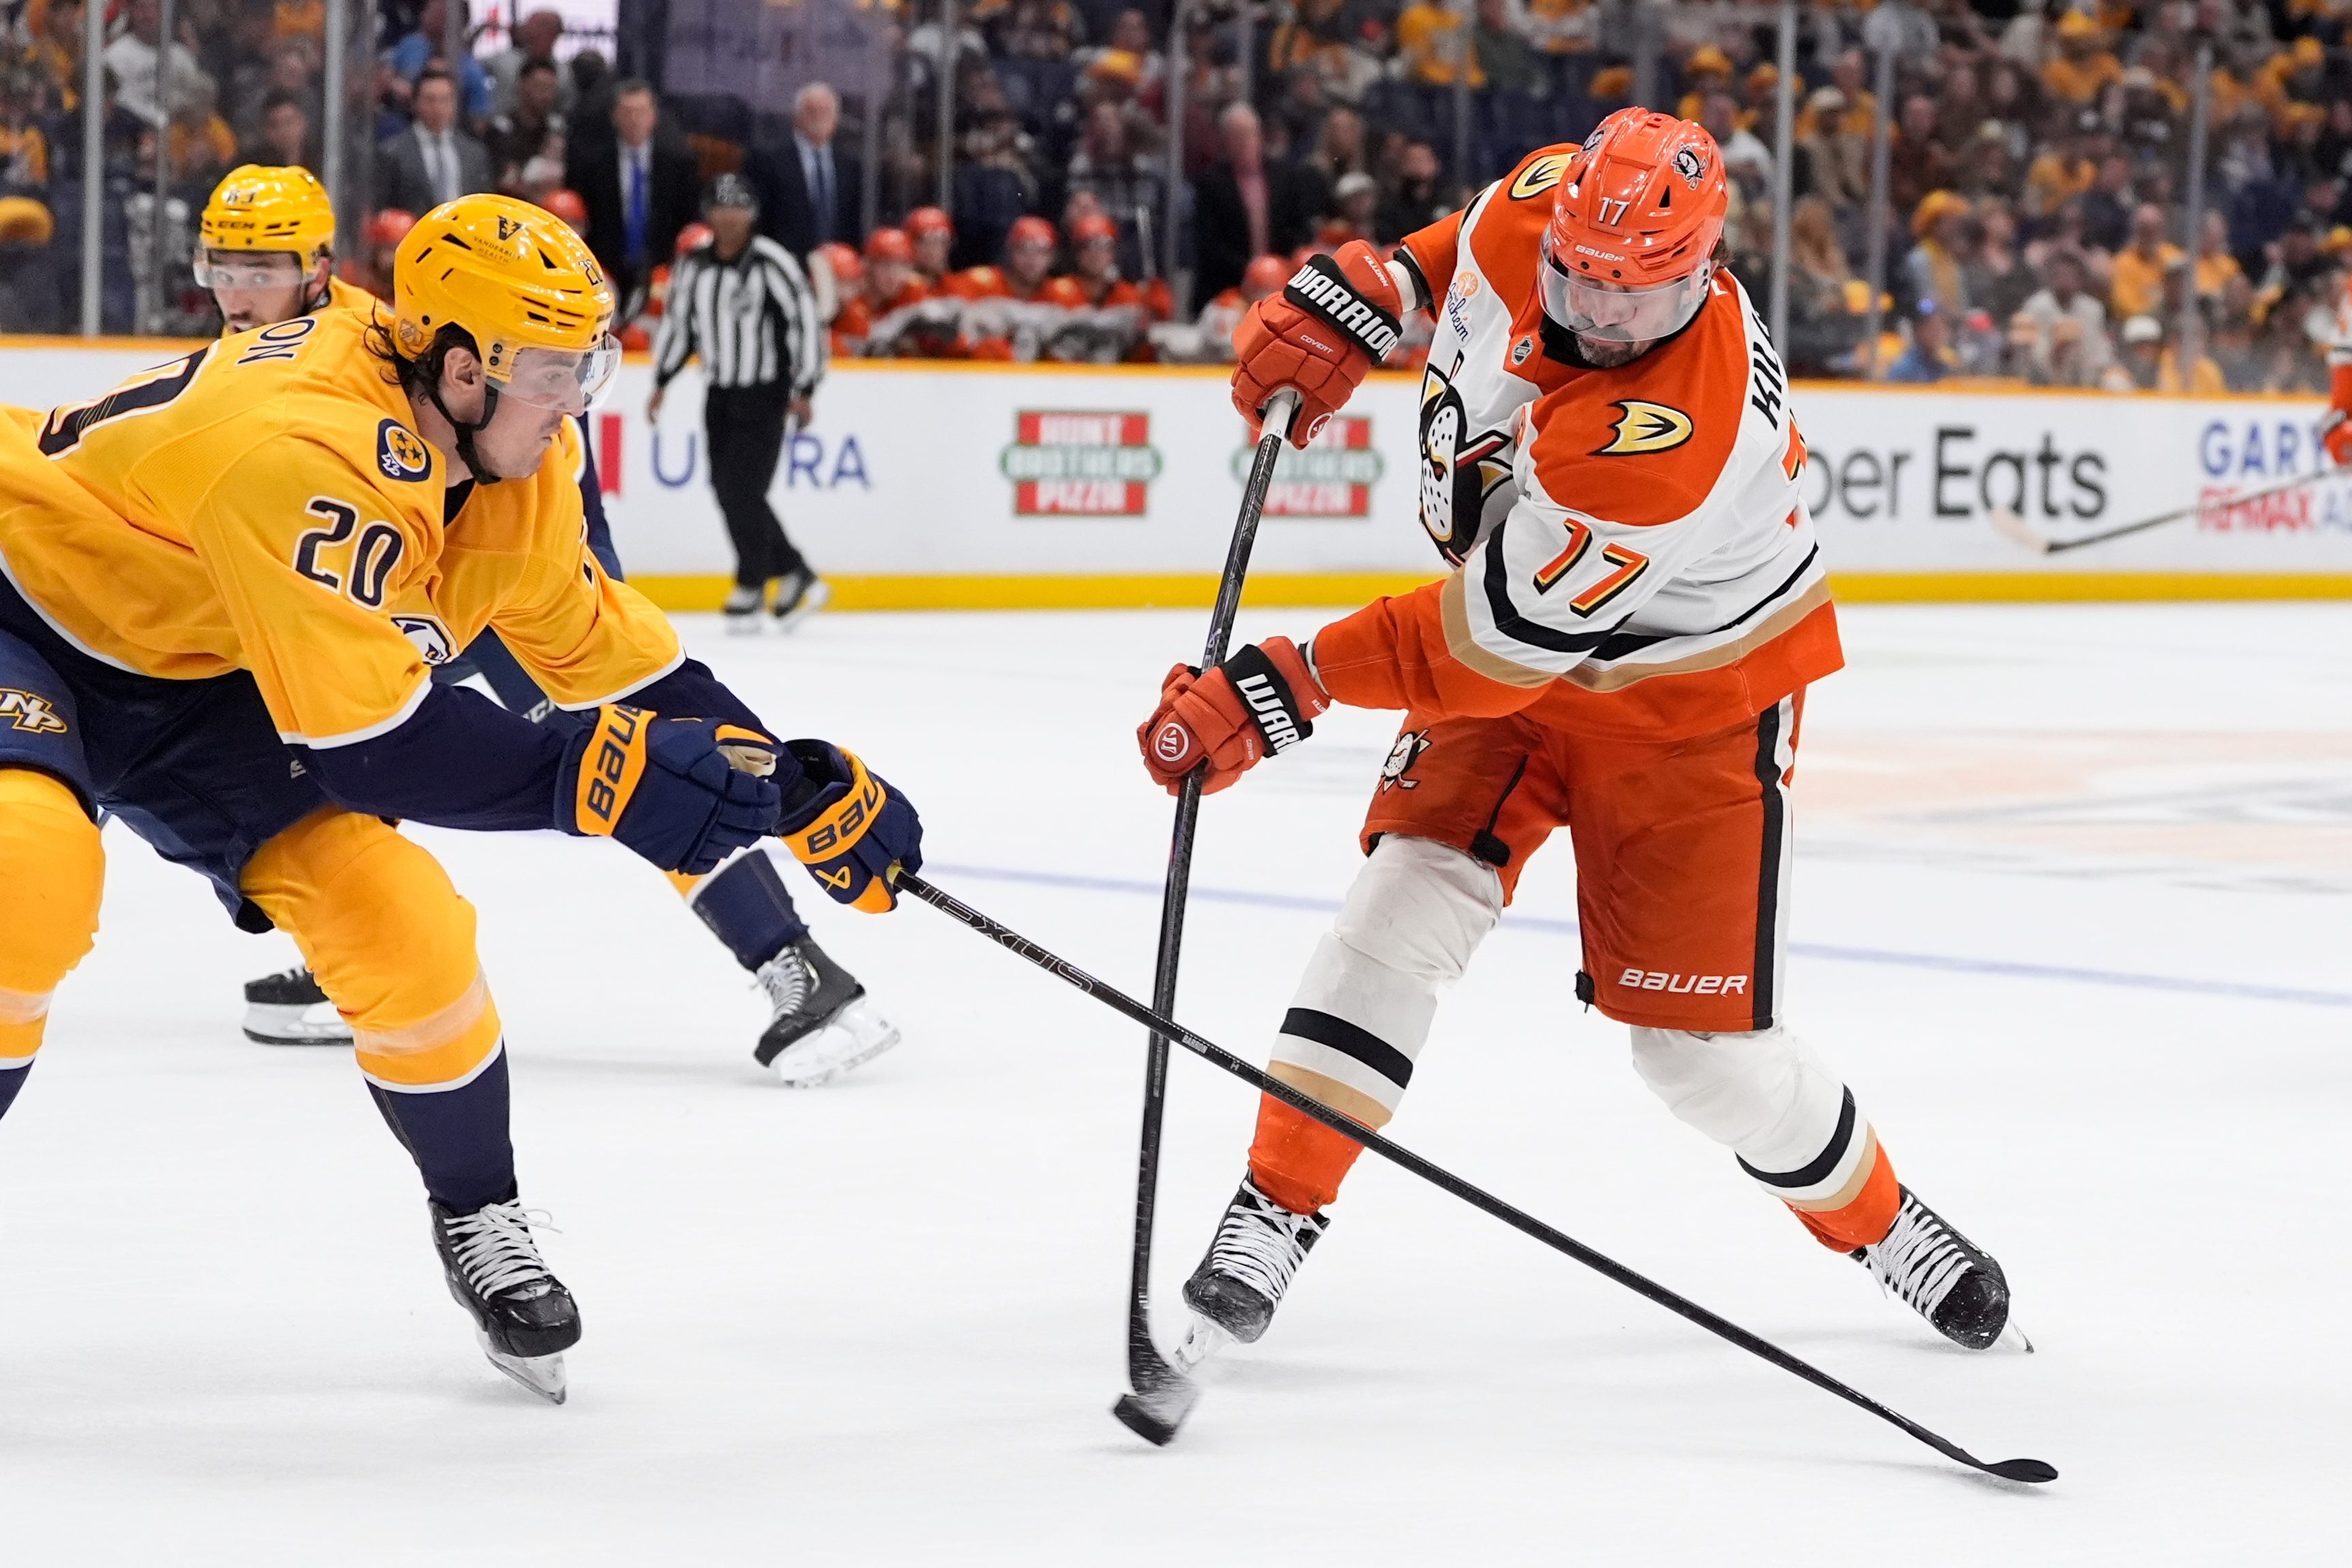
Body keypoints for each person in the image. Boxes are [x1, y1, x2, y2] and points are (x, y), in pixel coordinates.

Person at [0, 193, 922, 1403]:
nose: (575, 398)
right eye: (551, 369)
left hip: (202, 666)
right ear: (458, 368)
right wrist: (595, 782)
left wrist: (793, 784)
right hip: (27, 599)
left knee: (408, 927)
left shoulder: (511, 452)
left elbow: (618, 660)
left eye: (586, 365)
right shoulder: (303, 443)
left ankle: (480, 1219)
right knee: (32, 878)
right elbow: (373, 747)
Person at [1135, 110, 2016, 1364]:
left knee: (1698, 1061)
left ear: (1702, 271)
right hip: (1524, 641)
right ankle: (1275, 1204)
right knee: (1401, 901)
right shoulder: (1553, 199)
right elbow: (1457, 254)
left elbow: (1482, 646)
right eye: (1576, 282)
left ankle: (1883, 1223)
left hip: (1689, 706)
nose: (1597, 320)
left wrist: (1286, 682)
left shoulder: (1675, 433)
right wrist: (1380, 286)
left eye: (1633, 302)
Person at [198, 169, 899, 1087]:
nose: (242, 290)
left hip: (507, 527)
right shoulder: (297, 367)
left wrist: (793, 784)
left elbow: (612, 654)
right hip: (428, 554)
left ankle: (794, 965)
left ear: (322, 265)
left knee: (638, 755)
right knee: (373, 716)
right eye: (225, 265)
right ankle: (362, 949)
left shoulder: (440, 364)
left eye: (266, 266)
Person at [648, 174, 829, 630]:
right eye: (720, 206)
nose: (729, 216)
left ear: (751, 214)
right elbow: (678, 323)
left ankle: (761, 578)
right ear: (708, 213)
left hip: (765, 391)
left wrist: (805, 388)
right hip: (720, 390)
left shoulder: (772, 262)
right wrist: (662, 380)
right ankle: (784, 574)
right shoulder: (692, 266)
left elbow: (804, 322)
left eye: (738, 207)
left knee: (744, 490)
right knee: (726, 490)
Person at [564, 79, 700, 301]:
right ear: (615, 116)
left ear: (654, 116)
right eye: (627, 113)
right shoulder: (592, 163)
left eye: (641, 112)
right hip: (605, 270)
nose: (634, 120)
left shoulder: (678, 162)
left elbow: (688, 220)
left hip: (663, 271)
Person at [378, 67, 493, 215]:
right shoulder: (392, 153)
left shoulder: (475, 153)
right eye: (430, 100)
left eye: (445, 100)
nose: (438, 108)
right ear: (415, 103)